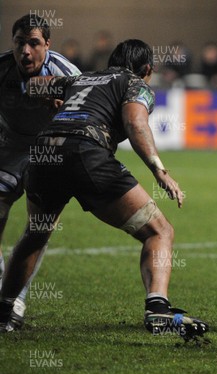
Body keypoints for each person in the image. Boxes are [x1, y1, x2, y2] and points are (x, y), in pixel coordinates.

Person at [0, 39, 208, 341]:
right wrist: (159, 170)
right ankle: (158, 308)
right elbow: (137, 124)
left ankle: (4, 311)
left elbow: (35, 85)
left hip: (44, 153)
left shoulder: (81, 77)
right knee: (158, 231)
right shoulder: (135, 83)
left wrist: (49, 100)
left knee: (36, 234)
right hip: (85, 153)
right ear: (147, 69)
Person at [0, 14, 80, 329]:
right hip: (9, 149)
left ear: (48, 43)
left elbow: (89, 115)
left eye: (34, 43)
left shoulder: (68, 75)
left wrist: (65, 113)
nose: (26, 51)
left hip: (49, 152)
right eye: (20, 43)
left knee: (39, 228)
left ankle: (15, 299)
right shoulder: (2, 69)